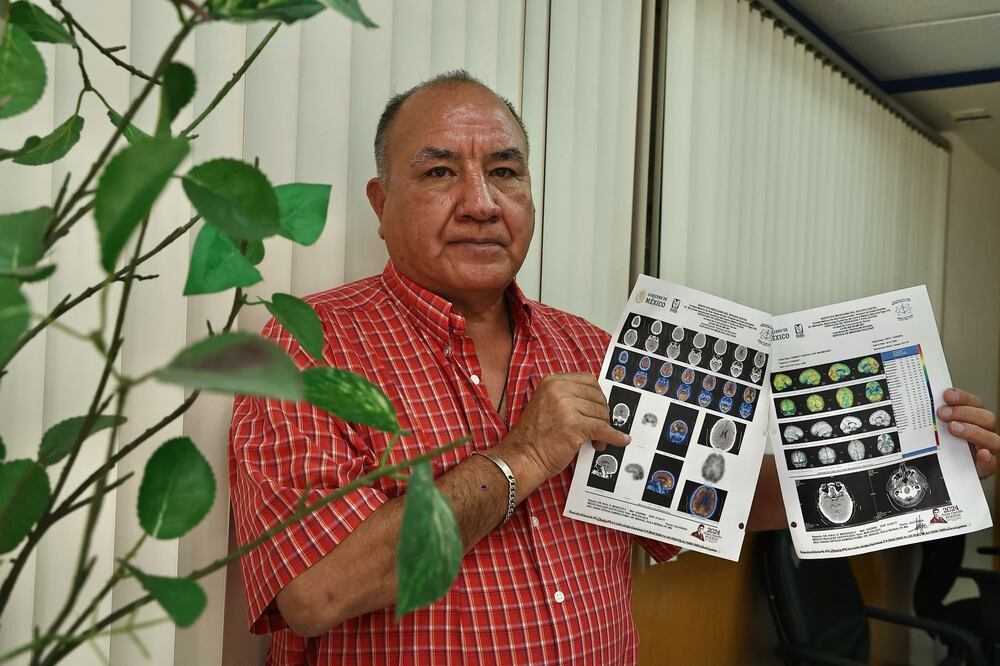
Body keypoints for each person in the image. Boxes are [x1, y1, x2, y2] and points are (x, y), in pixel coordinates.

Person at [229, 70, 1000, 665]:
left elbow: (706, 499)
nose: (481, 202)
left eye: (505, 171)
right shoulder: (310, 347)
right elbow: (314, 592)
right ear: (380, 199)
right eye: (438, 174)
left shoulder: (592, 348)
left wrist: (923, 461)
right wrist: (524, 456)